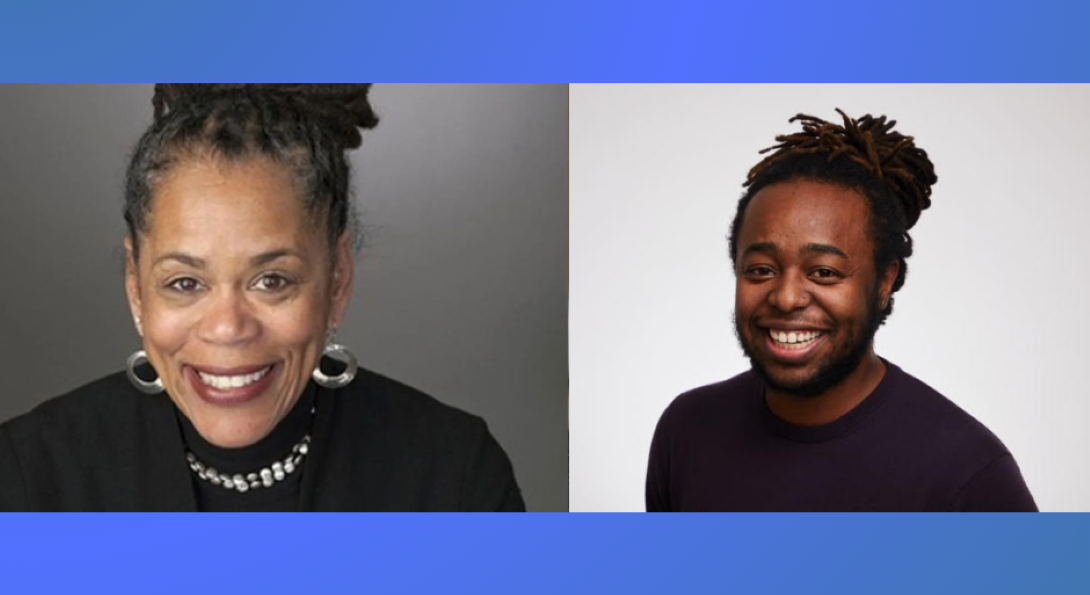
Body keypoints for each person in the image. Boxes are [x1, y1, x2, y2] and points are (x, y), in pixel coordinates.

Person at [0, 84, 525, 511]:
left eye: (271, 280)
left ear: (337, 279)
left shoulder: (452, 478)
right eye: (185, 283)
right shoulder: (30, 477)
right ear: (137, 288)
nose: (228, 327)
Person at [645, 109, 1037, 512]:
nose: (786, 297)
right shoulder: (687, 432)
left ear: (883, 282)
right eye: (761, 269)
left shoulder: (968, 475)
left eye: (824, 272)